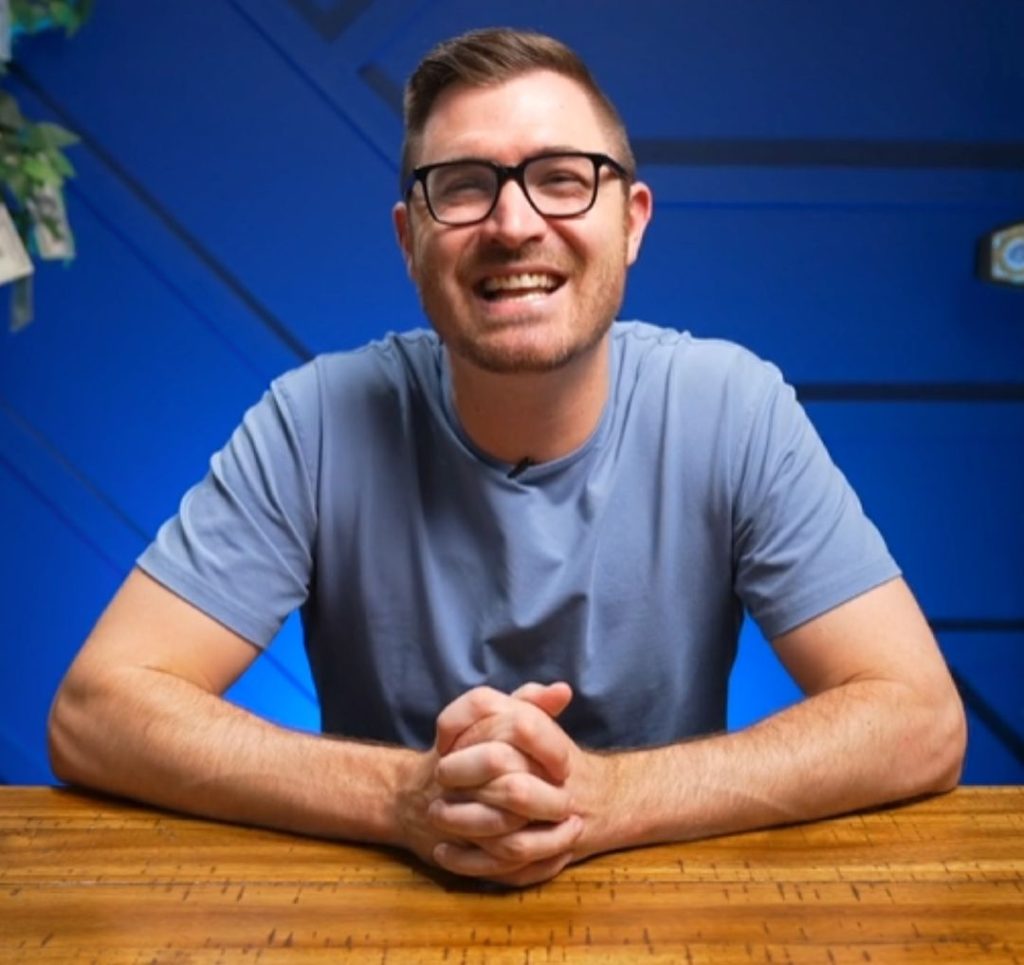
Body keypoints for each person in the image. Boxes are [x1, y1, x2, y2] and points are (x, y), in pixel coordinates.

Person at [48, 27, 966, 887]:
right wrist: (403, 798)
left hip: (667, 916)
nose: (514, 223)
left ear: (632, 221)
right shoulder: (316, 420)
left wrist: (608, 799)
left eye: (563, 179)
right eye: (462, 186)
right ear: (410, 239)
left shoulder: (732, 408)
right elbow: (97, 713)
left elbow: (919, 720)